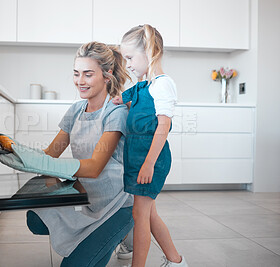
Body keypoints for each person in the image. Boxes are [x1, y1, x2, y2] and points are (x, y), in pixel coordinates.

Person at [25, 41, 134, 267]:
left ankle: (123, 232)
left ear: (107, 75)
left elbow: (94, 168)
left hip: (118, 206)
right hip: (88, 200)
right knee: (34, 219)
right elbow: (50, 155)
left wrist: (50, 170)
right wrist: (17, 151)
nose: (80, 81)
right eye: (76, 74)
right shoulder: (75, 110)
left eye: (88, 74)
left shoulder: (116, 112)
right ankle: (108, 239)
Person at [112, 24, 188, 267]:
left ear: (150, 51)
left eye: (131, 58)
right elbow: (120, 100)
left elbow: (162, 128)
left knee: (139, 215)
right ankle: (176, 261)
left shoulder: (163, 85)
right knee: (149, 214)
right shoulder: (142, 86)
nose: (129, 64)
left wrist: (148, 164)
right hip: (138, 159)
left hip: (151, 160)